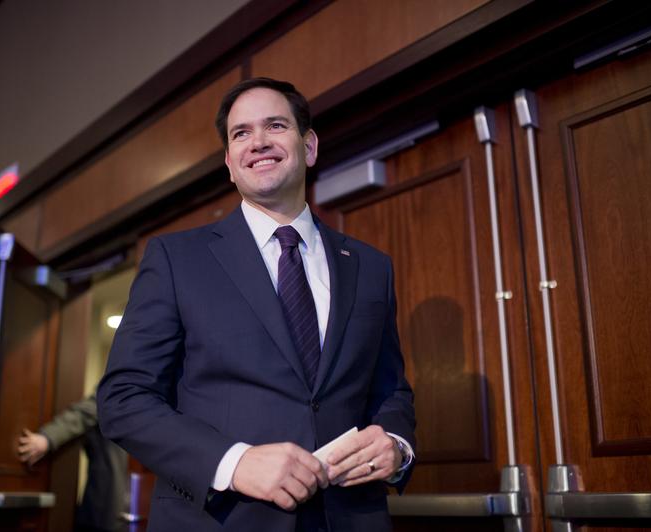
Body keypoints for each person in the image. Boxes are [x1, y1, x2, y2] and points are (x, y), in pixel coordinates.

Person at [97, 77, 416, 532]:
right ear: (229, 163)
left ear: (308, 147)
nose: (259, 142)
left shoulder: (370, 266)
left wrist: (397, 443)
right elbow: (123, 400)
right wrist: (234, 462)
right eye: (241, 133)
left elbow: (390, 389)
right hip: (221, 519)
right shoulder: (175, 259)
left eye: (275, 126)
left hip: (348, 518)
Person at [17, 393, 127, 532]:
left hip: (127, 508)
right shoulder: (123, 384)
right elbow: (84, 413)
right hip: (103, 512)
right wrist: (48, 438)